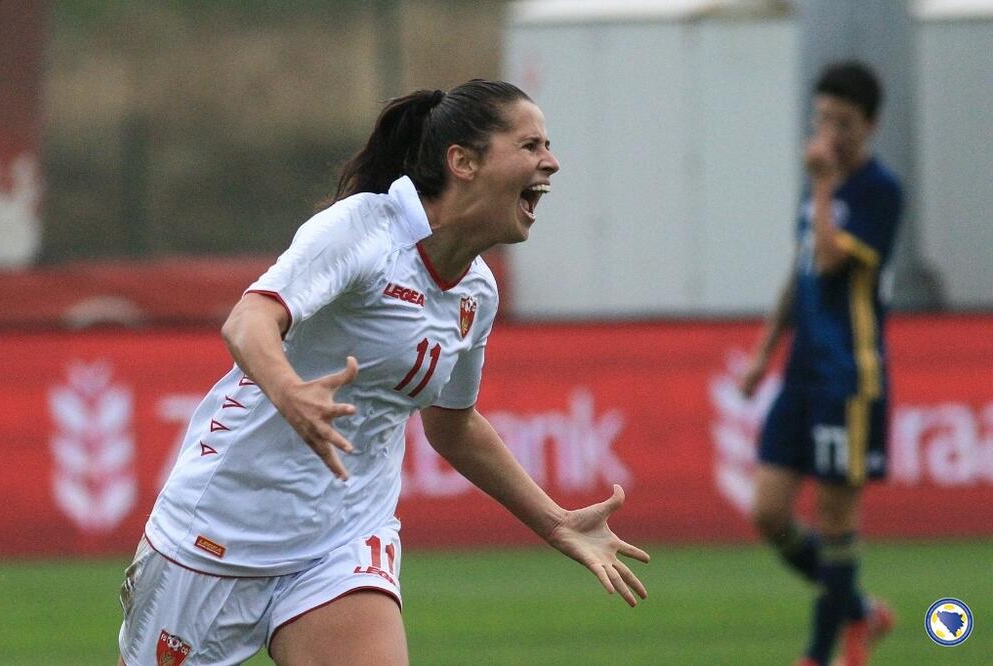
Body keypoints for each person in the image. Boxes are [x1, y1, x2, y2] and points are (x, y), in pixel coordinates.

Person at [116, 79, 649, 666]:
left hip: (343, 541)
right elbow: (248, 320)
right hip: (218, 533)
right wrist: (291, 392)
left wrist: (554, 522)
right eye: (530, 146)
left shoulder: (476, 290)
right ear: (463, 162)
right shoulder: (365, 230)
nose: (551, 161)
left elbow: (453, 425)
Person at [738, 62, 902, 666]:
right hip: (801, 374)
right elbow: (804, 267)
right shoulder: (818, 189)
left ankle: (818, 653)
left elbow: (833, 260)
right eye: (823, 119)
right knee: (768, 512)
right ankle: (861, 610)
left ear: (871, 125)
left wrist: (827, 186)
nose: (830, 133)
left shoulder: (880, 191)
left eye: (844, 122)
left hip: (848, 377)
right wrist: (763, 354)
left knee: (835, 520)